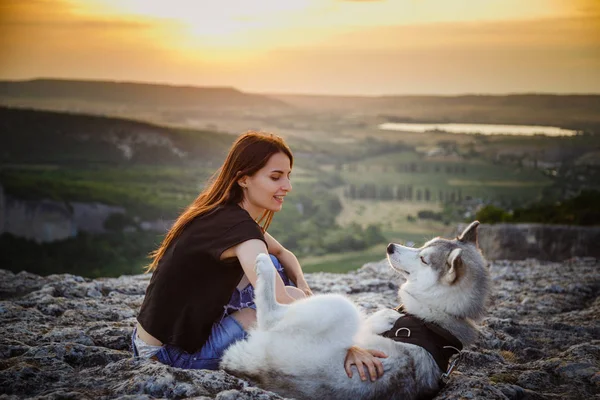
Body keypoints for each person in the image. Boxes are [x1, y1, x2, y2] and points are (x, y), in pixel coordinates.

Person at [132, 130, 387, 381]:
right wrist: (345, 348)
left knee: (277, 269)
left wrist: (303, 287)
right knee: (267, 312)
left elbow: (282, 252)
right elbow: (280, 301)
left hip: (148, 340)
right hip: (169, 357)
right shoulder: (242, 233)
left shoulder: (222, 212)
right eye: (276, 177)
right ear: (243, 179)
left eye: (288, 176)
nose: (287, 186)